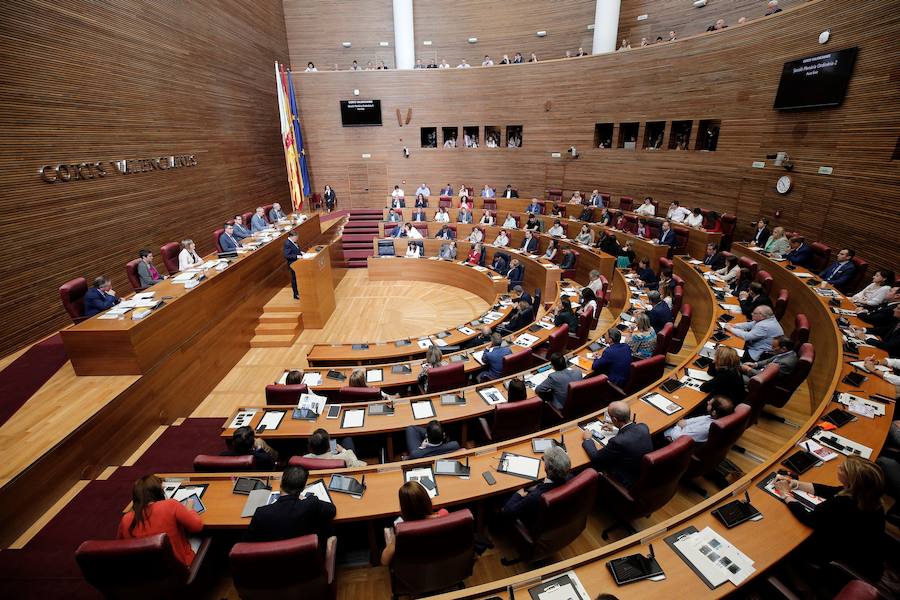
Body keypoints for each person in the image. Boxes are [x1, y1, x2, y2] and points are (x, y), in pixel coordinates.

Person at [773, 456, 885, 580]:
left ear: (851, 480)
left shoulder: (842, 504)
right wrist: (795, 484)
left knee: (783, 540)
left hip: (835, 555)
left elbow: (808, 518)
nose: (838, 467)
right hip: (863, 553)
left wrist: (785, 494)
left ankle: (799, 584)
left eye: (842, 469)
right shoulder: (867, 495)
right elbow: (828, 490)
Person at [117, 475, 203, 567]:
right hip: (180, 568)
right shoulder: (170, 505)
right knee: (203, 537)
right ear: (158, 492)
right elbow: (197, 526)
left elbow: (120, 547)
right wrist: (189, 510)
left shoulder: (126, 520)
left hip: (145, 574)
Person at [246, 465, 337, 543]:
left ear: (281, 483)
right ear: (302, 489)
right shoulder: (311, 504)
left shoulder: (261, 513)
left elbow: (247, 542)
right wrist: (306, 499)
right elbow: (332, 510)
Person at [581, 401, 652, 487]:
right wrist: (615, 430)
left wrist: (588, 439)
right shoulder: (643, 427)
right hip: (643, 472)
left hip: (626, 478)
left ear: (614, 419)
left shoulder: (617, 442)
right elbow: (631, 433)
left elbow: (595, 457)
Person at [381, 481, 451, 565]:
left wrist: (392, 541)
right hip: (441, 563)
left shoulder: (402, 531)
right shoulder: (444, 514)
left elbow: (384, 561)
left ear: (404, 508)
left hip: (417, 571)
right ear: (427, 499)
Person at [501, 446, 572, 526]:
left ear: (546, 467)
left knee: (501, 497)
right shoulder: (571, 477)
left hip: (533, 520)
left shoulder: (535, 496)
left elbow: (508, 511)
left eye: (544, 460)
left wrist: (518, 495)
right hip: (557, 515)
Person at [664, 396, 735, 443]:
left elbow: (677, 438)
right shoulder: (712, 417)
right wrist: (682, 423)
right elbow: (694, 420)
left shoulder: (706, 427)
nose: (708, 402)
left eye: (710, 404)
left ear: (714, 412)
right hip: (681, 429)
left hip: (673, 437)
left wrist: (678, 426)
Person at [284, 231, 301, 299]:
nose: (297, 239)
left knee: (297, 279)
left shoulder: (293, 242)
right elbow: (287, 255)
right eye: (296, 237)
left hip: (297, 263)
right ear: (292, 237)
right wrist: (297, 256)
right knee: (294, 280)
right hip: (293, 264)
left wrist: (300, 253)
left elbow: (295, 250)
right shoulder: (287, 243)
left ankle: (299, 292)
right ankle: (296, 294)